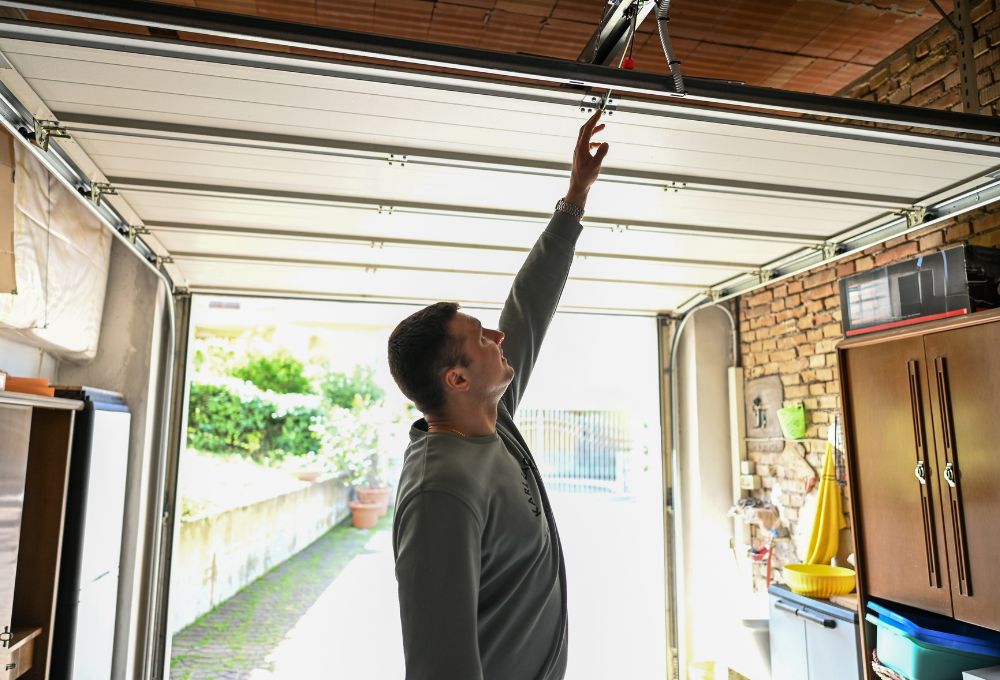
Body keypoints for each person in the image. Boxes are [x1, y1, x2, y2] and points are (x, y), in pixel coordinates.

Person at [387, 109, 610, 680]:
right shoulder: (441, 490)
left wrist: (575, 198)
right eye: (480, 337)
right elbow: (438, 667)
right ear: (457, 379)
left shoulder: (491, 420)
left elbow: (528, 306)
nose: (499, 335)